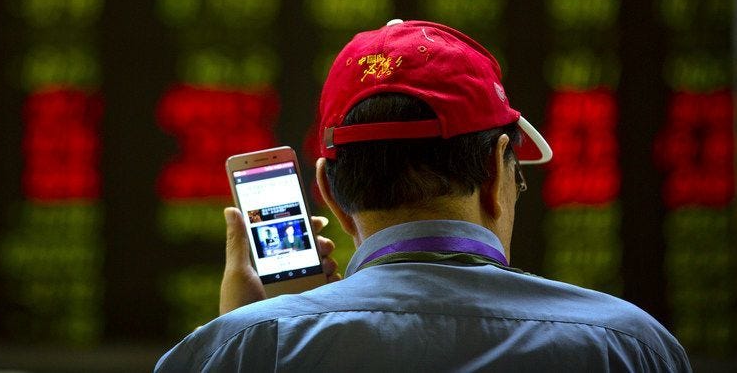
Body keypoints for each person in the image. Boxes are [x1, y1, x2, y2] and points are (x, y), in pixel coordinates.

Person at [155, 19, 691, 372]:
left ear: (329, 194)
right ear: (493, 172)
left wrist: (243, 335)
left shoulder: (244, 350)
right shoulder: (630, 348)